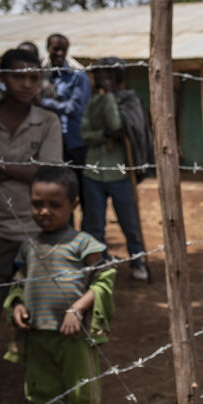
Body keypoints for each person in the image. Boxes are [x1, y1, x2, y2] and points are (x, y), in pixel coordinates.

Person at [3, 166, 116, 404]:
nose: (44, 211)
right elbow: (18, 283)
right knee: (42, 393)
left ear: (74, 205)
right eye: (37, 204)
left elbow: (103, 279)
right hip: (37, 336)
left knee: (81, 394)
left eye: (54, 205)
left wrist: (78, 308)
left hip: (74, 337)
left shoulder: (84, 243)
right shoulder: (29, 246)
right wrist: (17, 305)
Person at [0, 48, 63, 306]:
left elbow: (50, 175)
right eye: (19, 77)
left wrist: (2, 168)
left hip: (36, 228)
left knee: (32, 308)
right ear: (2, 77)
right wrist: (26, 170)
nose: (27, 84)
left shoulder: (48, 121)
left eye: (34, 78)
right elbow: (38, 172)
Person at [79, 57, 147, 282]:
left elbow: (119, 126)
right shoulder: (93, 103)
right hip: (93, 172)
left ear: (118, 78)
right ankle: (100, 262)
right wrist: (103, 135)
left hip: (119, 172)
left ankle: (138, 262)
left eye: (107, 76)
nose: (101, 80)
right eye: (99, 76)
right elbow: (86, 135)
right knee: (94, 223)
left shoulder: (129, 100)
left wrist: (108, 98)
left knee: (129, 222)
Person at [39, 34, 91, 195]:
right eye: (56, 49)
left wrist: (41, 102)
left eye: (63, 49)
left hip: (74, 141)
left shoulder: (77, 75)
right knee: (56, 189)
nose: (60, 53)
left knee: (80, 189)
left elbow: (74, 108)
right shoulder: (40, 74)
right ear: (48, 49)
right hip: (47, 141)